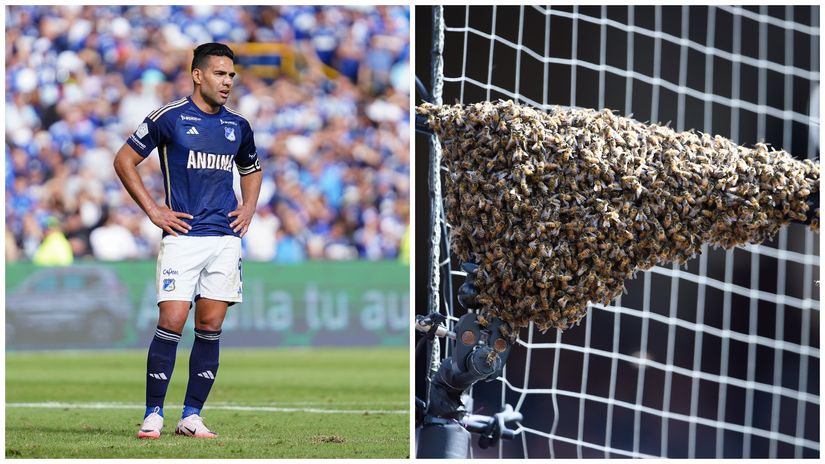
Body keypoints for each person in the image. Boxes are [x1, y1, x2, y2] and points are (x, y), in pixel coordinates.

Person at [113, 43, 262, 439]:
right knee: (172, 320)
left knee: (210, 324)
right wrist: (153, 210)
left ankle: (191, 416)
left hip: (225, 238)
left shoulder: (238, 125)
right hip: (182, 236)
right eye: (219, 73)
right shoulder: (170, 117)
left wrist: (248, 207)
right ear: (198, 75)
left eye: (231, 74)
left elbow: (252, 168)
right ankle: (154, 413)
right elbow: (123, 160)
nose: (227, 81)